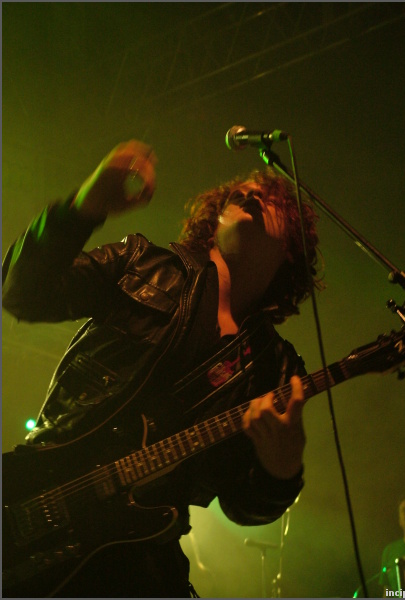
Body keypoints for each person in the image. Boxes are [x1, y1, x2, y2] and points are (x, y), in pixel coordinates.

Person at [2, 140, 322, 598]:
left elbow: (244, 507)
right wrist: (82, 207)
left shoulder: (273, 367)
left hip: (139, 563)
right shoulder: (142, 263)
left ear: (292, 246)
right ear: (214, 220)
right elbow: (22, 294)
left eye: (271, 198)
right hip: (31, 497)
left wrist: (283, 468)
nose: (250, 192)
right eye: (240, 191)